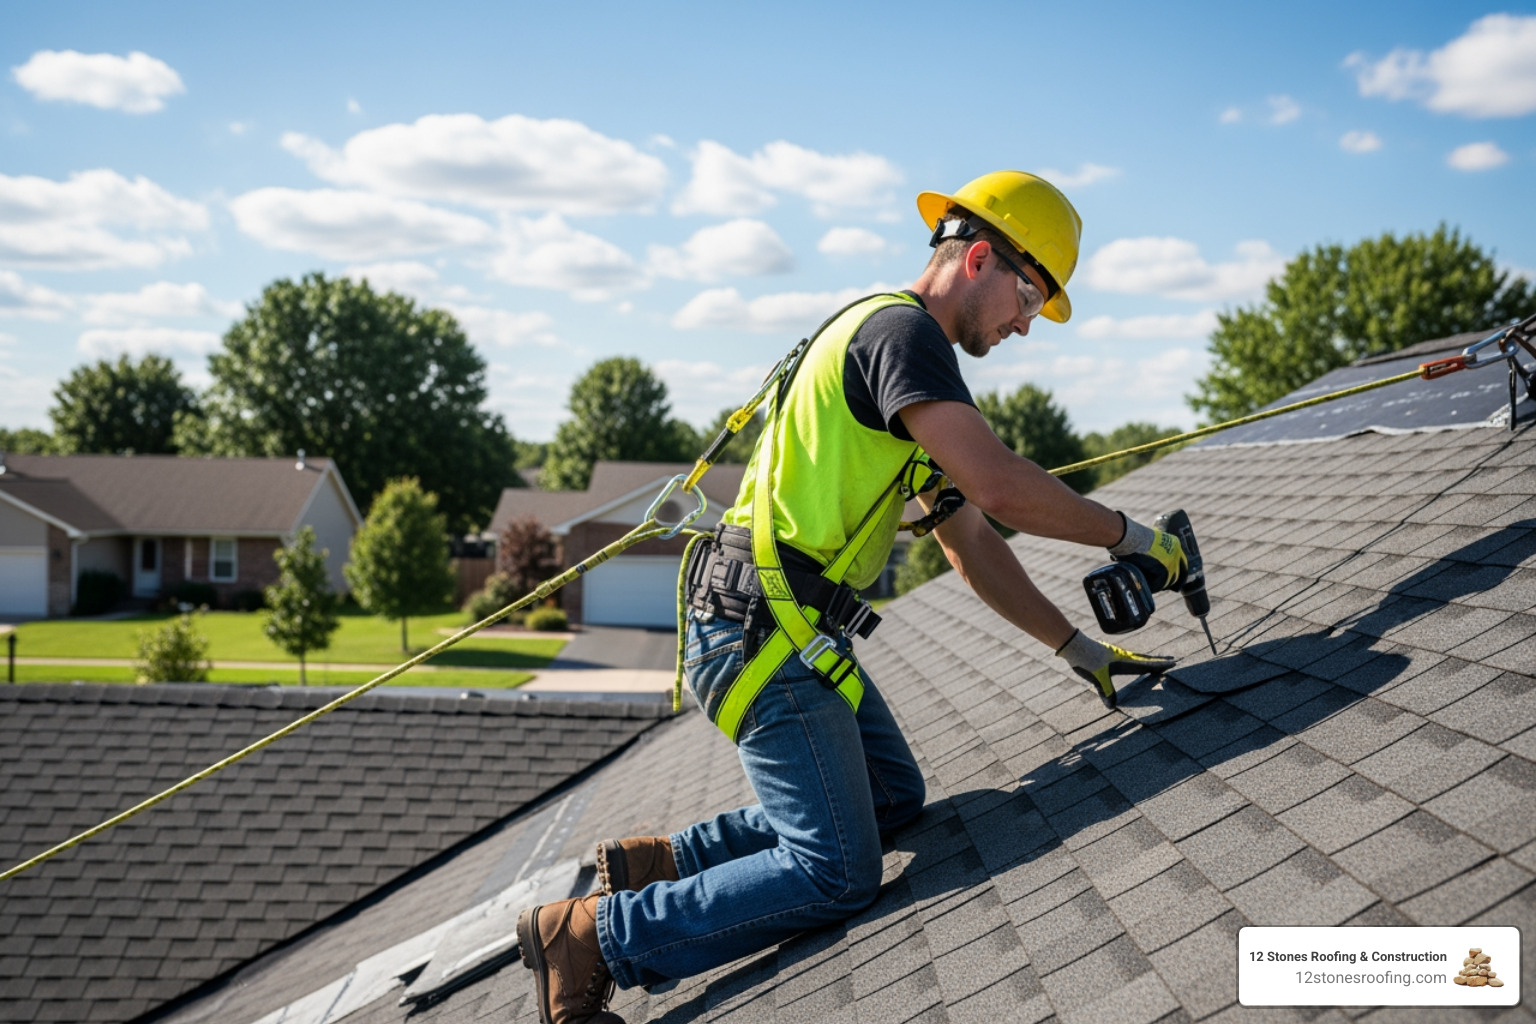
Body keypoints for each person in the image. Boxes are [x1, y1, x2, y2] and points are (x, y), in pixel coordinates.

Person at [516, 171, 1190, 1024]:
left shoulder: (890, 355)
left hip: (774, 625)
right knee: (837, 868)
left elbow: (969, 536)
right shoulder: (904, 336)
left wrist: (1080, 649)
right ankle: (598, 938)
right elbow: (1002, 489)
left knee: (891, 802)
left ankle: (662, 865)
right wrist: (1135, 538)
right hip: (762, 632)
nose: (1025, 323)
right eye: (1029, 296)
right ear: (980, 257)